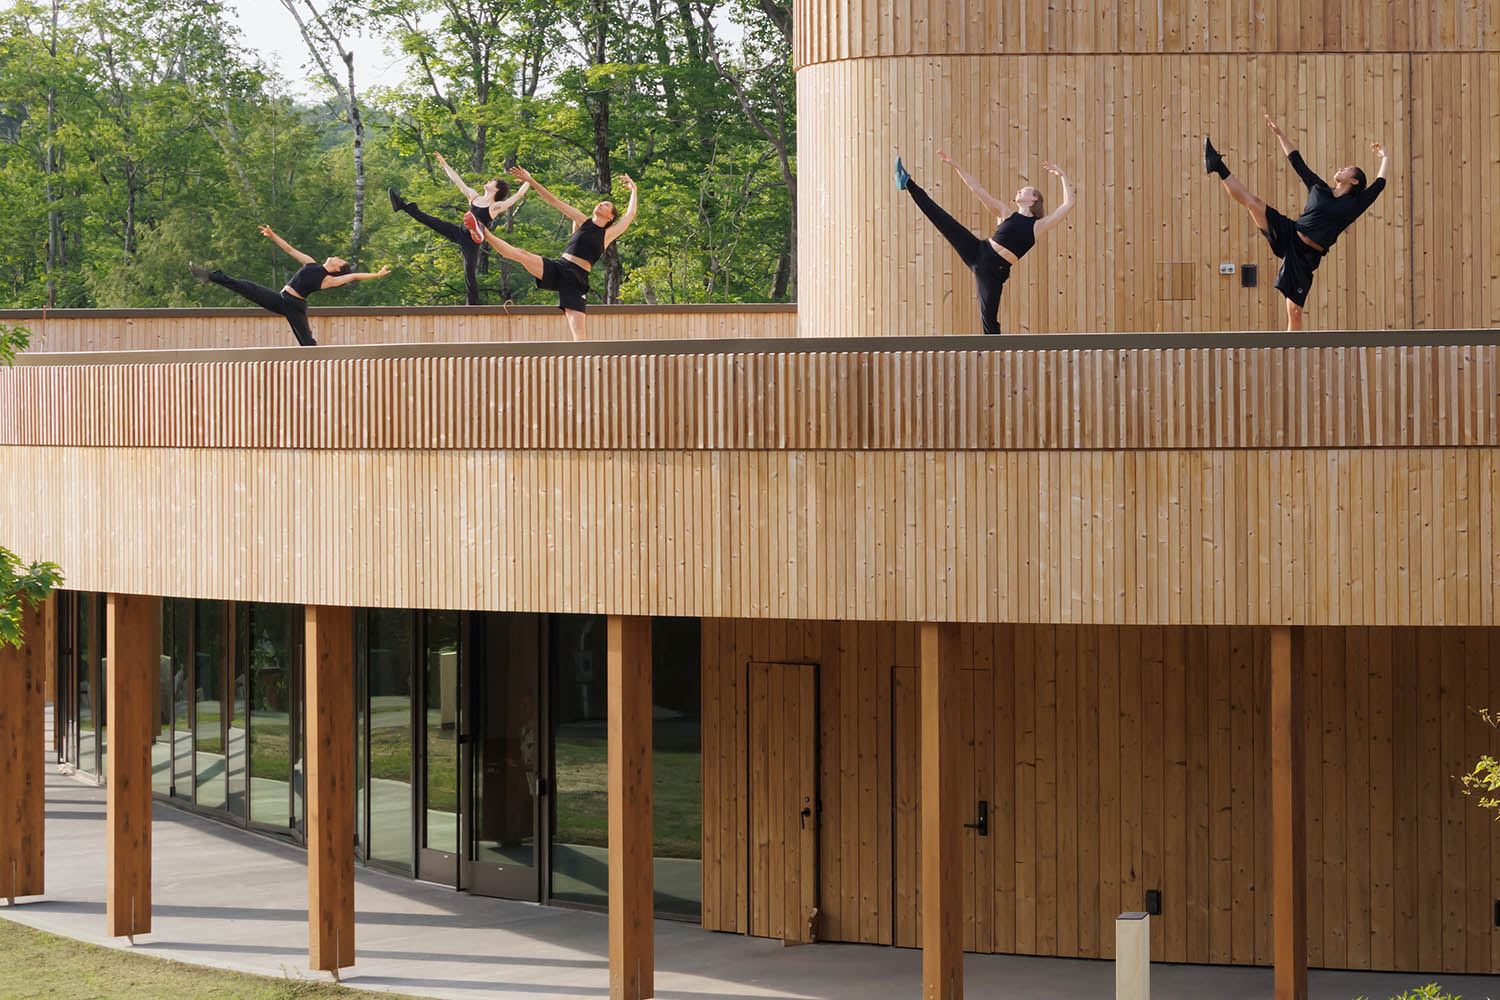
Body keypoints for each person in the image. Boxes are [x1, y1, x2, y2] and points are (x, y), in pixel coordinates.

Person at [1205, 116, 1388, 331]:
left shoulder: (1354, 204)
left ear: (1354, 181)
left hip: (1305, 257)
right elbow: (1296, 161)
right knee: (1253, 203)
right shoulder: (1319, 188)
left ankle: (1290, 355)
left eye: (1348, 169)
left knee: (1295, 313)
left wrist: (1385, 157)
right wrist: (1280, 134)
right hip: (1290, 232)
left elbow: (1379, 185)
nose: (1341, 168)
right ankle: (1217, 165)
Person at [894, 150, 1074, 334]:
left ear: (1034, 198)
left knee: (989, 319)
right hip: (978, 251)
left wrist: (1063, 176)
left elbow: (1068, 205)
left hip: (993, 271)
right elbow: (978, 190)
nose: (1019, 190)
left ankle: (995, 356)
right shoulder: (1005, 213)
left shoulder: (1038, 226)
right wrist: (956, 165)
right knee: (942, 219)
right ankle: (907, 182)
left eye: (1024, 189)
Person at [472, 166, 638, 340]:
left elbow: (630, 214)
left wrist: (634, 189)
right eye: (601, 202)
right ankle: (482, 231)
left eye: (606, 205)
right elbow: (554, 201)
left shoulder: (607, 234)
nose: (601, 204)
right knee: (522, 255)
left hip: (577, 279)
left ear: (610, 217)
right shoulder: (582, 220)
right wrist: (531, 180)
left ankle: (581, 362)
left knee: (579, 335)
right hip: (559, 267)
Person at [189, 225, 390, 346]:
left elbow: (353, 277)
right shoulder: (311, 262)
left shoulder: (327, 280)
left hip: (294, 305)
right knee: (245, 286)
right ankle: (207, 276)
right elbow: (289, 249)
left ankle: (317, 368)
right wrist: (272, 234)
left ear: (337, 270)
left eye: (339, 260)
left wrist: (377, 274)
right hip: (281, 299)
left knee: (306, 341)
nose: (336, 257)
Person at [387, 152, 528, 305]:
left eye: (491, 181)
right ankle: (402, 205)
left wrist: (529, 180)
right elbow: (457, 180)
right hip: (460, 231)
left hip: (471, 241)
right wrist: (444, 164)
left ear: (496, 189)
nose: (488, 181)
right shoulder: (474, 196)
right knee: (431, 220)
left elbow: (518, 196)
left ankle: (472, 305)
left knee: (469, 273)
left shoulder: (494, 207)